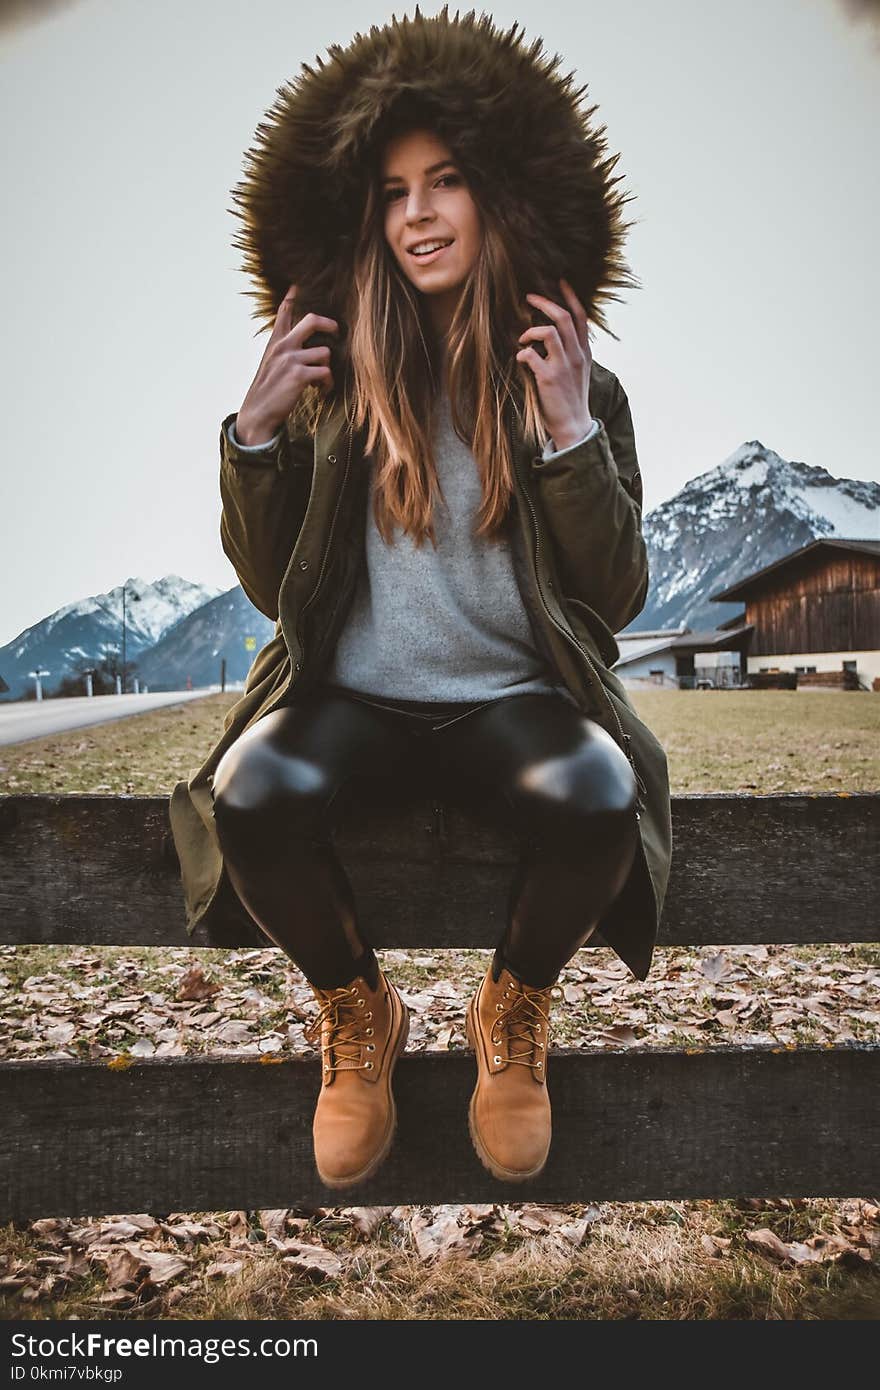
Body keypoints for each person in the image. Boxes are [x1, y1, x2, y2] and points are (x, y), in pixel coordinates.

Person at [168, 7, 674, 1190]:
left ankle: (513, 1011)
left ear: (492, 197)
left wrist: (567, 440)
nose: (418, 215)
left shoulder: (572, 376)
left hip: (511, 701)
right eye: (394, 192)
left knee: (601, 793)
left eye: (444, 182)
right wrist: (251, 436)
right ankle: (359, 1014)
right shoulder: (332, 379)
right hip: (354, 699)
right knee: (253, 790)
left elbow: (617, 591)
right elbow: (266, 579)